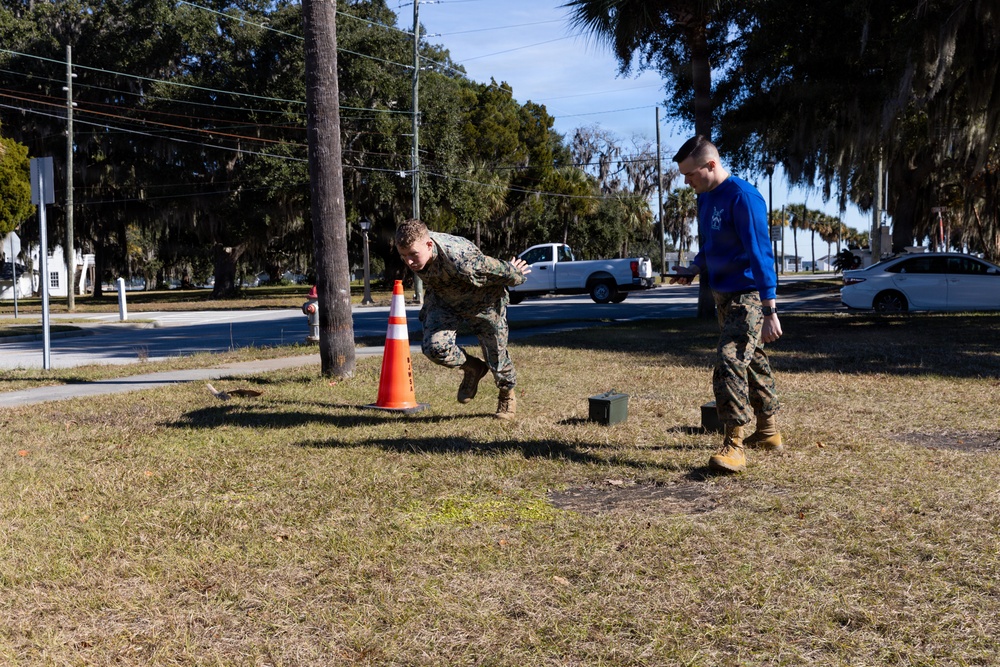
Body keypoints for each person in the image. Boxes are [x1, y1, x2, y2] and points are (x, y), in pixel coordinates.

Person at [669, 136, 784, 472]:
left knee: (730, 358)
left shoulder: (743, 197)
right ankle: (768, 431)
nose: (687, 181)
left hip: (747, 295)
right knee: (753, 361)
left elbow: (761, 254)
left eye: (690, 174)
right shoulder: (705, 198)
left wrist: (770, 310)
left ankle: (734, 444)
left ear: (711, 165)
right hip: (722, 295)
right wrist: (695, 267)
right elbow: (712, 246)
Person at [395, 219, 531, 419]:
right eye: (403, 256)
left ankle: (506, 394)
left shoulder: (461, 258)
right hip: (446, 301)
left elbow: (498, 270)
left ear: (429, 245)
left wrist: (514, 272)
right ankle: (473, 368)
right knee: (434, 347)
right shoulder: (417, 247)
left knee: (496, 356)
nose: (409, 261)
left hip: (484, 303)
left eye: (413, 255)